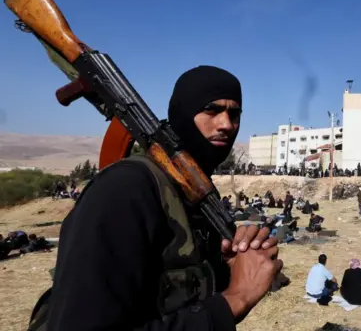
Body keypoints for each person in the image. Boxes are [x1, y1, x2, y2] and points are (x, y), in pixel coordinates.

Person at [35, 66, 283, 331]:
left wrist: (229, 271)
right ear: (184, 113)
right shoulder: (125, 189)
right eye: (211, 109)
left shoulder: (193, 192)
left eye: (234, 114)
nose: (226, 124)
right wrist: (235, 300)